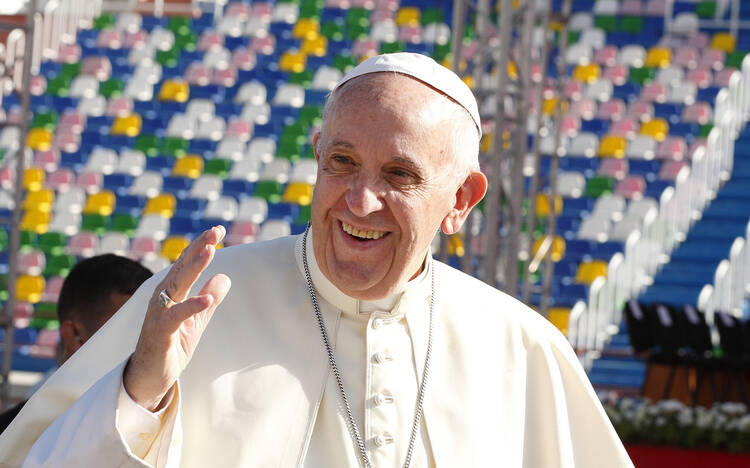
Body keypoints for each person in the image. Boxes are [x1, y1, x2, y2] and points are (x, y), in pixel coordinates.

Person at [0, 53, 633, 467]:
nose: (360, 200)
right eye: (342, 162)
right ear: (316, 154)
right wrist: (139, 391)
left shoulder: (522, 350)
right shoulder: (187, 312)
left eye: (398, 174)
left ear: (461, 199)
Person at [0, 254, 152, 434]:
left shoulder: (173, 432)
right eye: (127, 335)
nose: (147, 351)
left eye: (153, 334)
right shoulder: (10, 440)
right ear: (73, 337)